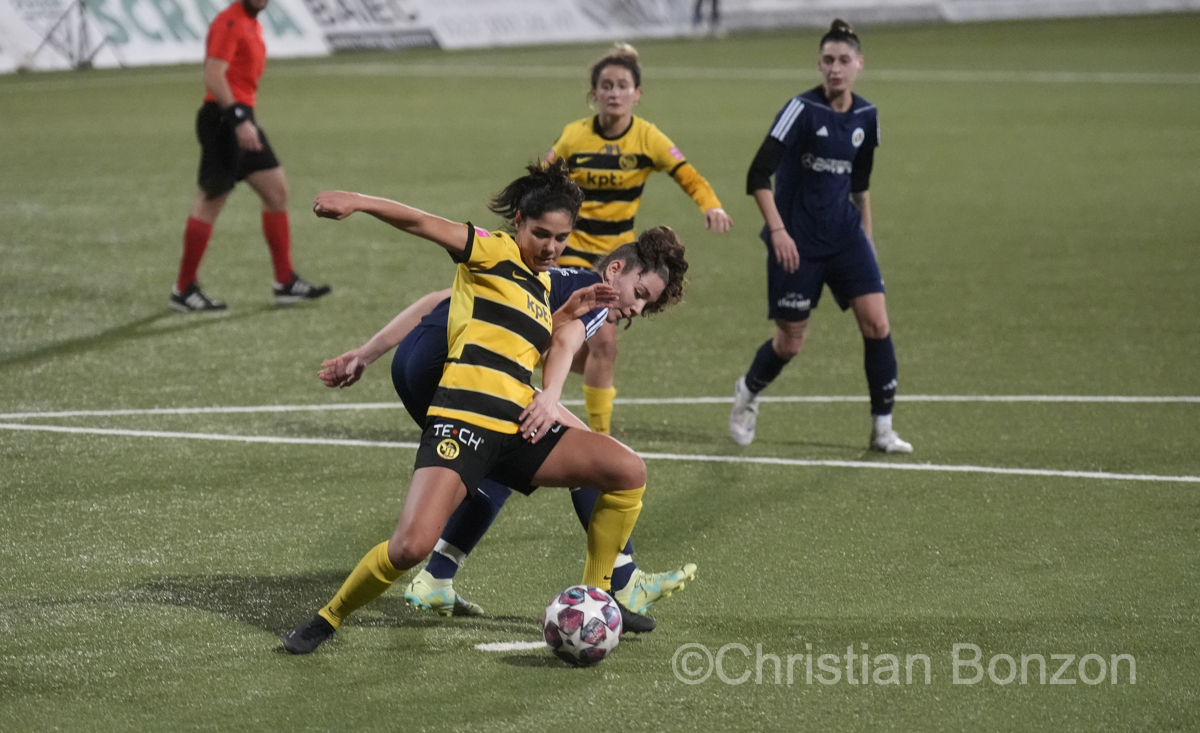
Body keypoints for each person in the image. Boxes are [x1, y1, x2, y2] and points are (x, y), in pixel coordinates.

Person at [282, 163, 660, 655]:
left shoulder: (546, 287)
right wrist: (358, 200)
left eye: (561, 238)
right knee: (409, 547)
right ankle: (327, 619)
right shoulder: (490, 250)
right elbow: (421, 221)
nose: (550, 247)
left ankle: (599, 596)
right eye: (541, 234)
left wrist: (567, 316)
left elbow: (543, 337)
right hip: (463, 424)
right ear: (519, 221)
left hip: (517, 426)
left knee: (625, 469)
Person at [316, 228, 696, 618]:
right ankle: (625, 578)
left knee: (497, 464)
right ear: (615, 271)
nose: (636, 309)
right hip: (456, 375)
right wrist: (549, 397)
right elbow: (566, 342)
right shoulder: (595, 292)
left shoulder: (541, 277)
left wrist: (366, 353)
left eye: (646, 306)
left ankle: (436, 579)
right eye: (641, 294)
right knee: (592, 455)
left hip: (414, 366)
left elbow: (435, 302)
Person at [728, 19, 913, 454]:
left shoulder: (867, 116)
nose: (835, 68)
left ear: (859, 65)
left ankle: (882, 429)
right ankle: (748, 392)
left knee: (878, 324)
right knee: (790, 343)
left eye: (844, 60)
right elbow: (757, 175)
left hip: (846, 238)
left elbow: (859, 184)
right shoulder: (800, 110)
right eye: (828, 60)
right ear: (818, 64)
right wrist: (778, 232)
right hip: (797, 244)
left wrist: (866, 237)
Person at [545, 43, 733, 435]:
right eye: (606, 86)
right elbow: (542, 178)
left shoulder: (647, 138)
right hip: (570, 254)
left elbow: (688, 174)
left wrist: (710, 204)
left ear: (637, 94)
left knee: (604, 346)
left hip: (616, 264)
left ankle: (599, 436)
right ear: (594, 93)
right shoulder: (574, 136)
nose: (614, 93)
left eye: (623, 86)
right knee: (561, 337)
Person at [170, 0, 329, 312]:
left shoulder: (251, 22)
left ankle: (285, 282)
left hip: (240, 120)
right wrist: (238, 119)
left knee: (277, 191)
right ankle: (184, 289)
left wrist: (243, 119)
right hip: (224, 120)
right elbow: (214, 75)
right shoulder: (229, 22)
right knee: (211, 199)